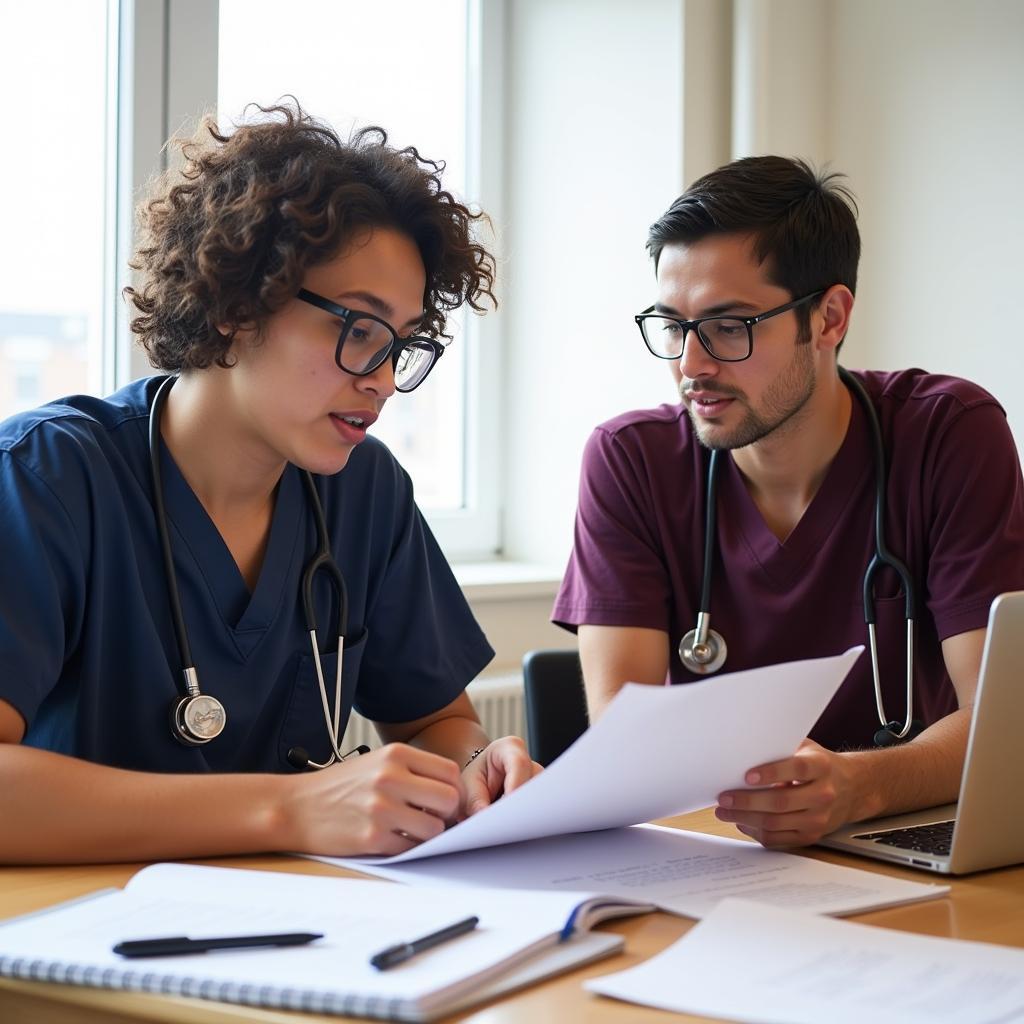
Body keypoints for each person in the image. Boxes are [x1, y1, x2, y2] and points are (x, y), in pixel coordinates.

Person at [0, 102, 539, 864]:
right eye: (357, 329)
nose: (384, 380)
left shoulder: (365, 490)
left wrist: (478, 771)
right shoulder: (46, 478)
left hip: (299, 939)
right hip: (77, 937)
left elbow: (434, 724)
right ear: (236, 305)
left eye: (403, 344)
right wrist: (287, 810)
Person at [553, 155, 1024, 848]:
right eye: (673, 325)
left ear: (829, 318)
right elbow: (626, 737)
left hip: (901, 841)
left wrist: (859, 786)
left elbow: (1002, 723)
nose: (691, 364)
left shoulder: (947, 434)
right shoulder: (631, 461)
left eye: (729, 325)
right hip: (719, 854)